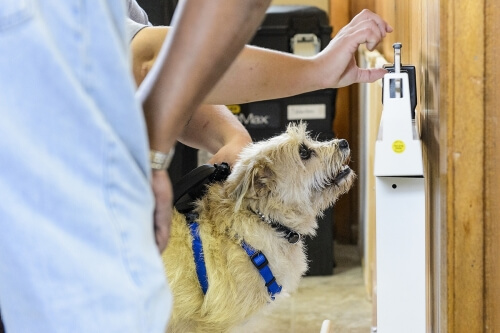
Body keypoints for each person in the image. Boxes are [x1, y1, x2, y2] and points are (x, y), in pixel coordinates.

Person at [0, 0, 273, 332]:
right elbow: (151, 60)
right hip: (54, 208)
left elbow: (157, 80)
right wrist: (317, 70)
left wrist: (229, 135)